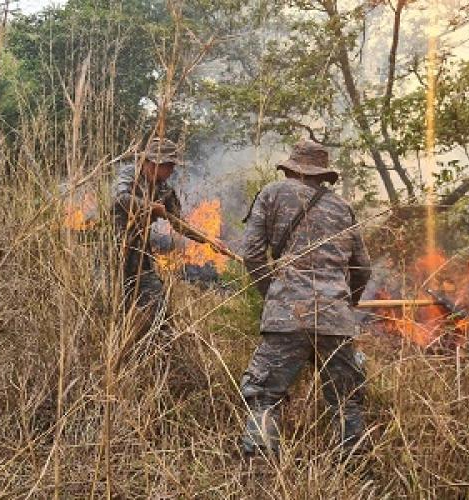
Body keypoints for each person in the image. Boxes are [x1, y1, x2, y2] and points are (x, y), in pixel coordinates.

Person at [239, 139, 372, 458]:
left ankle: (259, 470)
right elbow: (363, 268)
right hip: (335, 320)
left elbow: (252, 254)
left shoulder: (271, 193)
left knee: (264, 396)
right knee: (346, 400)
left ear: (291, 167)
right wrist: (345, 306)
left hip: (287, 314)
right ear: (322, 174)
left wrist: (271, 294)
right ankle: (357, 469)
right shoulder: (343, 207)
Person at [111, 137, 229, 336]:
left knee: (157, 307)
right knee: (112, 308)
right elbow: (119, 198)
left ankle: (158, 348)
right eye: (169, 165)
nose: (172, 170)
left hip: (140, 257)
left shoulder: (165, 190)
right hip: (113, 252)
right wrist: (148, 207)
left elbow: (180, 224)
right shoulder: (130, 174)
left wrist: (208, 240)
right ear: (154, 162)